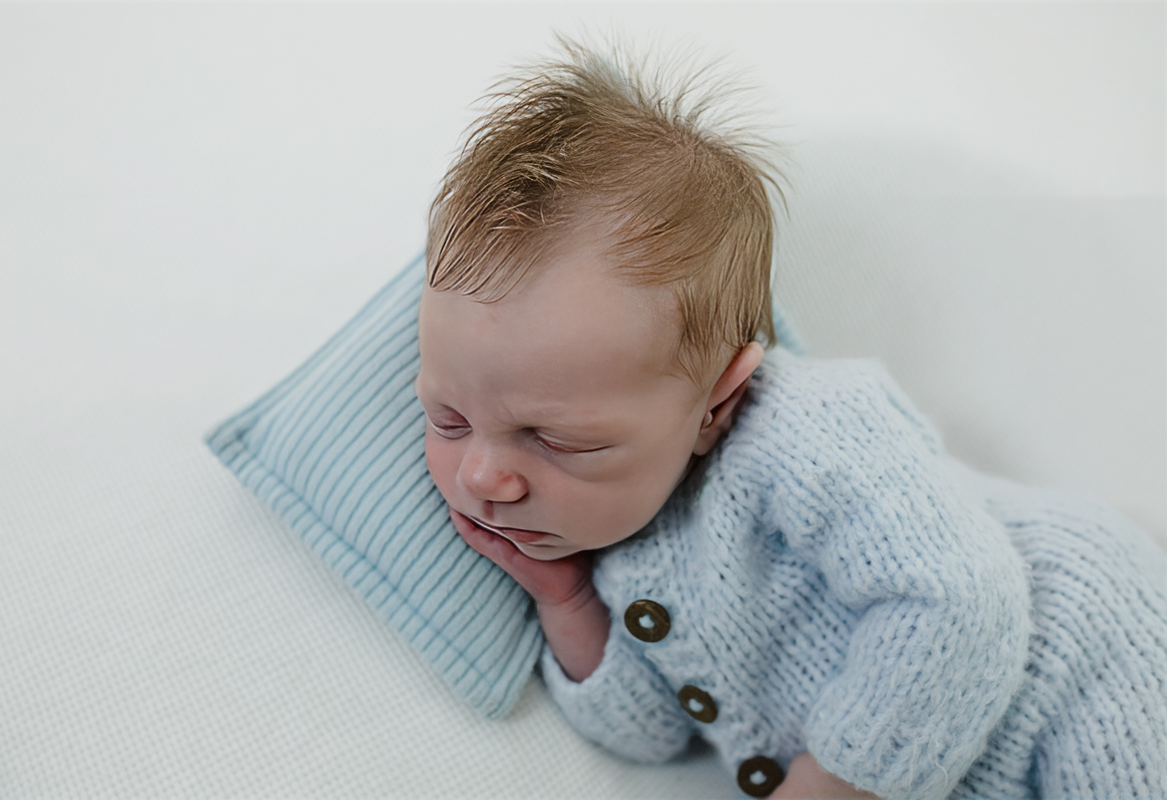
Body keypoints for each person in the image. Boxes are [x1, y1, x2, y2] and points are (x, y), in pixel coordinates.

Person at [414, 37, 1167, 800]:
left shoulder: (808, 431)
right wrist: (568, 601)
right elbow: (651, 736)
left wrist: (831, 783)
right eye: (447, 419)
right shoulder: (609, 537)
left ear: (716, 403)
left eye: (555, 439)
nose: (483, 475)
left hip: (1082, 647)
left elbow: (962, 600)